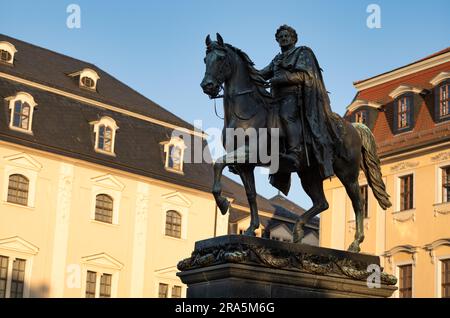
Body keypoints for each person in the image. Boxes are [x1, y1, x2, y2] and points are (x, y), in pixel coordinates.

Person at [260, 24, 340, 186]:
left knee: (285, 115)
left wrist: (282, 79)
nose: (283, 39)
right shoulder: (277, 59)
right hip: (276, 98)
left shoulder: (302, 53)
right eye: (280, 37)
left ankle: (295, 151)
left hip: (295, 97)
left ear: (293, 39)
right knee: (262, 118)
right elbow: (262, 74)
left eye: (286, 36)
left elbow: (307, 76)